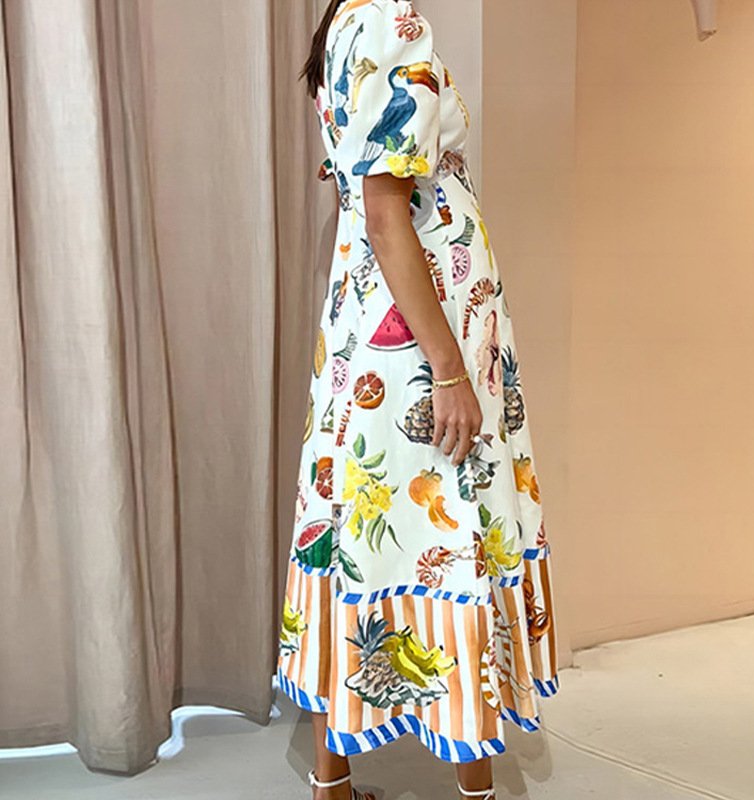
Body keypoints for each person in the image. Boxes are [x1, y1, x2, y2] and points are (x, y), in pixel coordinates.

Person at [275, 2, 560, 798]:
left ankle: (332, 786)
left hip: (371, 335)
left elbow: (368, 188)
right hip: (415, 344)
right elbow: (384, 213)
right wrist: (449, 369)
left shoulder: (346, 23)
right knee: (454, 531)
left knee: (360, 534)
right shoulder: (394, 23)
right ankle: (476, 790)